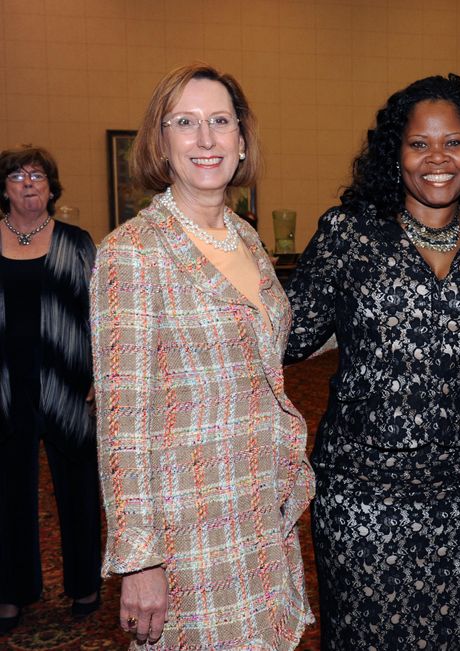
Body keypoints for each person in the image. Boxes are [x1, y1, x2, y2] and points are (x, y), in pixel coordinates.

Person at [284, 73, 460, 649]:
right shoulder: (349, 233)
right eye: (418, 143)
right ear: (395, 155)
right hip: (364, 497)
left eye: (454, 142)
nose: (436, 158)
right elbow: (285, 339)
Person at [90, 63, 315, 648]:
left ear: (242, 140)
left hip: (260, 512)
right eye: (185, 123)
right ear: (161, 143)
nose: (206, 139)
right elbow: (122, 422)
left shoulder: (246, 239)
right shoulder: (133, 252)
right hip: (186, 531)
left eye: (220, 121)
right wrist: (139, 560)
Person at [0, 145, 101, 634]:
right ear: (4, 189)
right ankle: (10, 593)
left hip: (68, 382)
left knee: (79, 488)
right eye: (17, 175)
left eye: (38, 175)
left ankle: (84, 584)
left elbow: (103, 316)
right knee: (5, 494)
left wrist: (101, 375)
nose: (28, 183)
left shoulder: (78, 243)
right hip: (3, 388)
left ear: (51, 187)